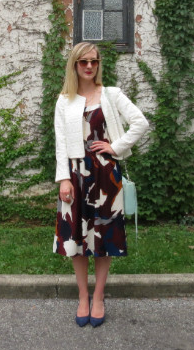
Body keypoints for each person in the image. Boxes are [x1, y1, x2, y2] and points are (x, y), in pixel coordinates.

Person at [53, 42, 149, 327]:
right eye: (83, 62)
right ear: (74, 65)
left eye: (94, 62)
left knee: (104, 238)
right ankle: (82, 296)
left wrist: (116, 147)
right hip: (75, 176)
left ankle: (98, 296)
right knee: (77, 239)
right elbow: (60, 143)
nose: (89, 67)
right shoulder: (64, 100)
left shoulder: (111, 95)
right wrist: (63, 179)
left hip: (106, 177)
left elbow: (140, 123)